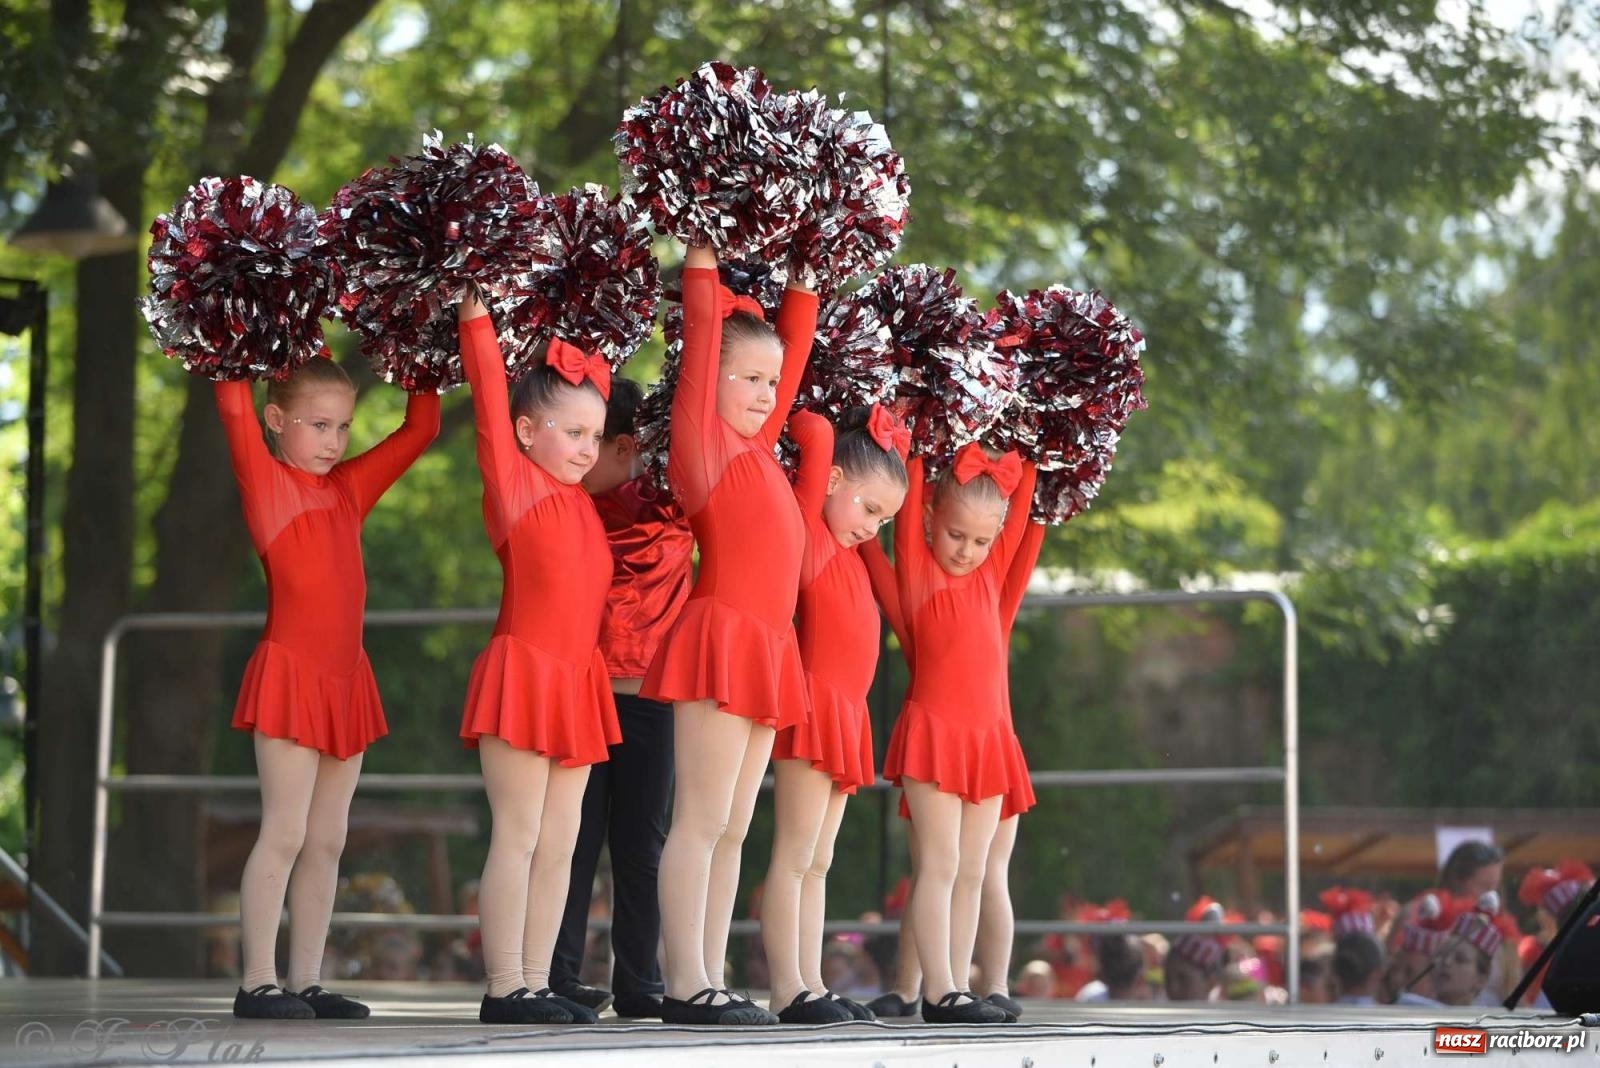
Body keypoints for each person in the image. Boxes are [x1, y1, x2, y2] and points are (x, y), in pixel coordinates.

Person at [217, 356, 439, 1020]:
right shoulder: (267, 483)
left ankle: (305, 981)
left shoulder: (347, 490)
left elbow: (421, 430)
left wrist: (423, 348)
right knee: (285, 832)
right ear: (275, 419)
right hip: (291, 674)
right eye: (318, 425)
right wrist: (233, 328)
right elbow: (230, 400)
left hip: (346, 680)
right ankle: (257, 982)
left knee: (328, 838)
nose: (334, 441)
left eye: (342, 426)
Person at [640, 243, 818, 1026]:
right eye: (748, 378)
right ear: (706, 378)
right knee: (703, 819)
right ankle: (684, 983)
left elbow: (793, 362)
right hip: (721, 636)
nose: (765, 394)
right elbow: (703, 333)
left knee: (735, 827)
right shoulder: (704, 442)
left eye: (770, 383)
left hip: (768, 646)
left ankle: (709, 974)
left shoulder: (759, 447)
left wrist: (804, 287)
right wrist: (703, 256)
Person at [456, 293, 620, 1025]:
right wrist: (475, 312)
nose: (588, 448)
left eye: (596, 435)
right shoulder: (516, 483)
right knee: (520, 835)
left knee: (562, 843)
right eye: (573, 432)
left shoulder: (583, 501)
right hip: (524, 672)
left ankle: (535, 980)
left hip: (578, 682)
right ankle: (504, 988)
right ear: (526, 433)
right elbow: (488, 396)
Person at [869, 444, 1037, 1024]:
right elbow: (912, 487)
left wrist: (1039, 446)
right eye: (955, 535)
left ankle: (959, 986)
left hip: (988, 741)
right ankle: (938, 989)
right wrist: (920, 439)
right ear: (930, 521)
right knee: (939, 864)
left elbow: (1023, 511)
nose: (967, 550)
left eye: (980, 541)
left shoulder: (992, 577)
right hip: (935, 736)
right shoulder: (920, 573)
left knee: (971, 869)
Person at [548, 378, 694, 1019]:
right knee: (572, 839)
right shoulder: (563, 503)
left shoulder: (676, 504)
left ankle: (641, 980)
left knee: (643, 844)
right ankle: (556, 974)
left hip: (651, 699)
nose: (580, 456)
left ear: (626, 446)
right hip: (581, 696)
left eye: (592, 441)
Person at [763, 406, 908, 1022]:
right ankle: (786, 988)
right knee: (795, 854)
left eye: (884, 520)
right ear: (830, 480)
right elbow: (812, 432)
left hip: (848, 715)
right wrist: (828, 417)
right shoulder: (812, 536)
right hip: (815, 706)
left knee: (819, 861)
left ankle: (812, 981)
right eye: (868, 509)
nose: (872, 527)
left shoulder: (853, 553)